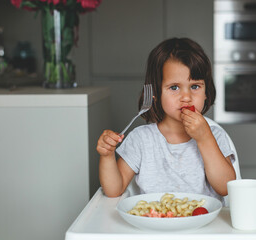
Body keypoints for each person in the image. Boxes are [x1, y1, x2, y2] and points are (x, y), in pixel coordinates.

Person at [97, 37, 237, 203]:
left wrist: (205, 138)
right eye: (174, 87)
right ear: (155, 93)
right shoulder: (141, 139)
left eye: (195, 86)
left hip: (203, 225)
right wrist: (107, 156)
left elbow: (226, 187)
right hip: (154, 224)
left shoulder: (215, 136)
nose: (186, 97)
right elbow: (114, 190)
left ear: (207, 92)